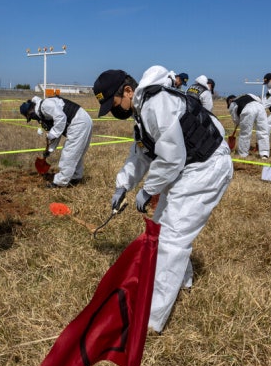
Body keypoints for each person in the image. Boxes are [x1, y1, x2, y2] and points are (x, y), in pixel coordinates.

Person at [93, 66, 233, 333]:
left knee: (170, 238)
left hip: (206, 167)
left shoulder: (157, 104)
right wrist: (123, 185)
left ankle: (151, 321)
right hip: (189, 168)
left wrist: (148, 190)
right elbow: (142, 153)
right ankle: (183, 281)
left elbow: (171, 156)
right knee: (161, 230)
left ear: (128, 90)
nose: (114, 112)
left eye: (114, 104)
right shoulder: (143, 109)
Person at [19, 94, 93, 188]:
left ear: (30, 111)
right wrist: (49, 150)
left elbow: (61, 119)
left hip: (78, 122)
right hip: (83, 120)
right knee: (76, 153)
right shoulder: (44, 110)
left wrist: (51, 135)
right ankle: (75, 177)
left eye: (30, 116)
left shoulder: (45, 105)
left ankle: (60, 183)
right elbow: (57, 130)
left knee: (69, 153)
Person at [227, 93, 270, 158]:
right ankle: (264, 154)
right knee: (263, 131)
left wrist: (238, 122)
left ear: (229, 101)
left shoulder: (233, 104)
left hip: (248, 110)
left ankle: (243, 154)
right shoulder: (248, 94)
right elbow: (259, 100)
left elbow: (235, 120)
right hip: (260, 108)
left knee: (245, 133)